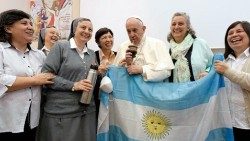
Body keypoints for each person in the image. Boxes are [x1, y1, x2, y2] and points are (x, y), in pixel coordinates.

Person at [37, 18, 97, 141]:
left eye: (90, 29)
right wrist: (73, 85)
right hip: (62, 111)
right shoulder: (61, 46)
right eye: (83, 27)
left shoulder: (92, 53)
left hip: (87, 110)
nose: (87, 31)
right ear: (74, 29)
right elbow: (46, 75)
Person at [0, 9, 54, 140]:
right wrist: (34, 80)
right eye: (24, 23)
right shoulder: (1, 50)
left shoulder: (39, 55)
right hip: (7, 121)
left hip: (32, 121)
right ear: (8, 28)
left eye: (31, 24)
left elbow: (48, 77)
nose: (30, 27)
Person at [214, 21, 250, 141]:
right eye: (230, 33)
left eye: (239, 31)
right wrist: (207, 77)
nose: (234, 35)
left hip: (247, 124)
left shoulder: (225, 66)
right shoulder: (225, 60)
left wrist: (228, 71)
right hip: (229, 124)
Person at [113, 16, 174, 82]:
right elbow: (115, 75)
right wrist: (122, 66)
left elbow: (166, 71)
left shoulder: (157, 44)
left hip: (152, 90)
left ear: (143, 29)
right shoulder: (122, 47)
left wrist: (142, 70)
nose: (132, 34)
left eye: (134, 30)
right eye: (128, 31)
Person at [167, 12, 213, 82]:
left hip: (198, 91)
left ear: (188, 27)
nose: (176, 27)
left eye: (180, 24)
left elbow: (213, 65)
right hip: (174, 92)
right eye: (173, 24)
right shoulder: (168, 50)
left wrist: (207, 72)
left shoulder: (200, 43)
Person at [93, 27, 116, 118]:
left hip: (115, 98)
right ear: (98, 42)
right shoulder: (93, 55)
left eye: (110, 37)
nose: (108, 40)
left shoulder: (118, 55)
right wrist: (98, 72)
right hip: (98, 98)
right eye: (104, 37)